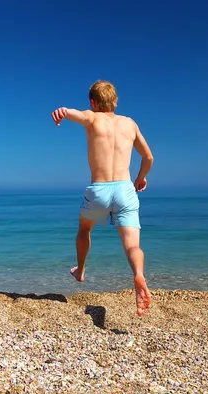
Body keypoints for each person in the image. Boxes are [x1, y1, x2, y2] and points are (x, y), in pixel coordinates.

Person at [51, 80, 154, 316]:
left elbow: (73, 114)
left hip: (99, 190)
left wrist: (63, 112)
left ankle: (81, 270)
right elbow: (148, 158)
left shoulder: (92, 117)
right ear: (115, 101)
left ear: (93, 102)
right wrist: (140, 179)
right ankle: (138, 275)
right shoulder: (130, 124)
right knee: (133, 246)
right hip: (125, 189)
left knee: (84, 230)